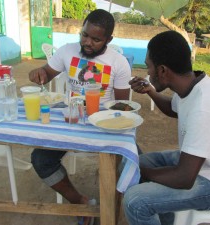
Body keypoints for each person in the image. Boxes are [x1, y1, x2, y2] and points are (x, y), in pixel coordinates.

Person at [123, 30, 210, 225]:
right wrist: (150, 92)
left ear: (163, 70)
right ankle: (167, 219)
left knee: (135, 200)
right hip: (202, 164)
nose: (147, 73)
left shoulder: (204, 107)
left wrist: (142, 173)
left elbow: (184, 178)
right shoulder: (192, 85)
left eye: (149, 67)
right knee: (133, 163)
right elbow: (174, 109)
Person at [28, 9, 131, 225]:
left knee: (131, 160)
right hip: (72, 119)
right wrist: (39, 73)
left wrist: (107, 121)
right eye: (84, 35)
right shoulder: (67, 51)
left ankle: (113, 209)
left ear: (108, 40)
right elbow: (46, 72)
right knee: (41, 159)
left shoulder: (119, 62)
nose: (87, 42)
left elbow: (122, 107)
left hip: (103, 125)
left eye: (95, 39)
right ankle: (81, 203)